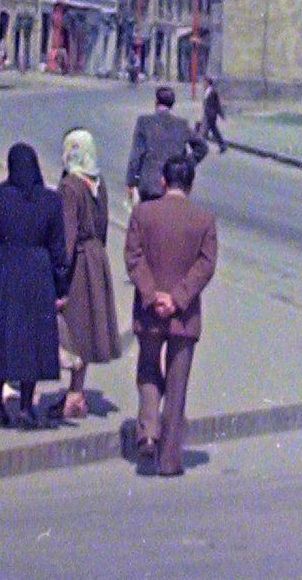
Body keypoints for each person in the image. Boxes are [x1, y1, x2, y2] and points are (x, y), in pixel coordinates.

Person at [124, 152, 217, 478]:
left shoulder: (142, 214)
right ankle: (169, 460)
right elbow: (205, 265)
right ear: (190, 185)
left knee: (148, 369)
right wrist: (177, 299)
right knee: (177, 386)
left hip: (150, 313)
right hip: (184, 315)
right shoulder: (204, 219)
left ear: (163, 181)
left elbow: (134, 259)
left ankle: (148, 431)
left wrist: (153, 296)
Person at [0, 143, 69, 430]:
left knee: (1, 335)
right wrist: (61, 286)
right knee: (31, 337)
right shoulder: (50, 201)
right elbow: (59, 250)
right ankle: (26, 407)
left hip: (4, 269)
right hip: (37, 271)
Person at [56, 129, 120, 420]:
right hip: (96, 257)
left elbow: (66, 234)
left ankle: (73, 395)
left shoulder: (70, 186)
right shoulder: (98, 182)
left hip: (79, 261)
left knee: (74, 326)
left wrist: (59, 275)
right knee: (85, 327)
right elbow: (104, 225)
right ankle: (77, 389)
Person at [125, 85, 203, 204]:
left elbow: (136, 155)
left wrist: (131, 182)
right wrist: (186, 163)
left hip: (149, 185)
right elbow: (202, 147)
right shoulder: (182, 125)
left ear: (156, 101)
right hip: (174, 185)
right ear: (172, 104)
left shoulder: (144, 122)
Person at [200, 77, 227, 154]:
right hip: (207, 114)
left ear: (208, 83)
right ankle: (222, 145)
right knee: (214, 130)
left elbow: (218, 104)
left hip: (211, 114)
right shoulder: (207, 91)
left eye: (204, 82)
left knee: (204, 131)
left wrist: (222, 115)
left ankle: (201, 148)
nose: (203, 84)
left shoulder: (213, 92)